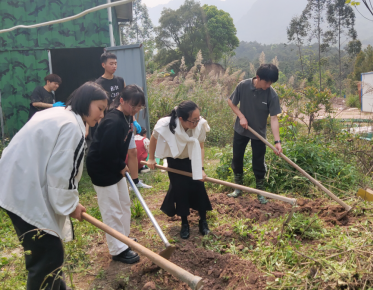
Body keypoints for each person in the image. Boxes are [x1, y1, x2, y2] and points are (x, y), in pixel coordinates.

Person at [0, 81, 107, 290]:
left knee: (51, 249)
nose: (101, 115)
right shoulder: (72, 127)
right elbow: (61, 173)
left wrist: (68, 204)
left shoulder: (59, 114)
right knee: (46, 254)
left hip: (20, 183)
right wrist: (70, 205)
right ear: (85, 102)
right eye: (100, 108)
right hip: (24, 191)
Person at [86, 85, 148, 264]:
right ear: (122, 101)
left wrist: (121, 165)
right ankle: (118, 249)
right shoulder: (113, 121)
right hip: (102, 168)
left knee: (123, 202)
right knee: (112, 208)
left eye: (139, 107)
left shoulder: (126, 117)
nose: (136, 110)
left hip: (114, 165)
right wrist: (121, 165)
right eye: (133, 106)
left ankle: (123, 238)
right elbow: (106, 151)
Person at [147, 101, 212, 239]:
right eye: (193, 120)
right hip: (174, 161)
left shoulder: (199, 125)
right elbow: (153, 138)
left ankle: (203, 221)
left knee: (199, 188)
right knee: (180, 190)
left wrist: (200, 168)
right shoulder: (166, 125)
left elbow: (201, 147)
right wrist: (151, 158)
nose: (196, 123)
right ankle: (184, 223)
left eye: (198, 119)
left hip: (192, 159)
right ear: (181, 119)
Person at [227, 64, 282, 204]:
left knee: (258, 162)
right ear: (258, 77)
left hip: (259, 134)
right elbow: (231, 101)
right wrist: (241, 116)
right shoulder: (243, 85)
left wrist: (277, 142)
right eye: (267, 82)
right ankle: (238, 188)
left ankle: (260, 192)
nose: (268, 85)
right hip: (241, 130)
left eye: (271, 83)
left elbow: (274, 118)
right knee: (237, 159)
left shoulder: (271, 94)